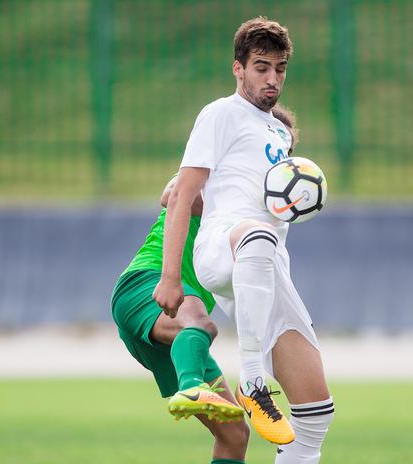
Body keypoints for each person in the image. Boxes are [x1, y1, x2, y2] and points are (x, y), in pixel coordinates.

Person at [154, 17, 334, 464]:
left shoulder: (278, 132)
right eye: (260, 67)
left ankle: (271, 400)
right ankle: (252, 380)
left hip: (267, 267)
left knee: (315, 415)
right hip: (223, 246)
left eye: (280, 68)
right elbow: (178, 196)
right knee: (255, 237)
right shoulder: (220, 113)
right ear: (238, 68)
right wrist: (172, 277)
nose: (272, 79)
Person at [111, 104, 299, 464]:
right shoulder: (215, 177)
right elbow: (172, 194)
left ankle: (191, 382)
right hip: (146, 286)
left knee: (235, 434)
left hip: (182, 339)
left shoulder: (262, 216)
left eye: (284, 153)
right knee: (201, 322)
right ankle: (191, 387)